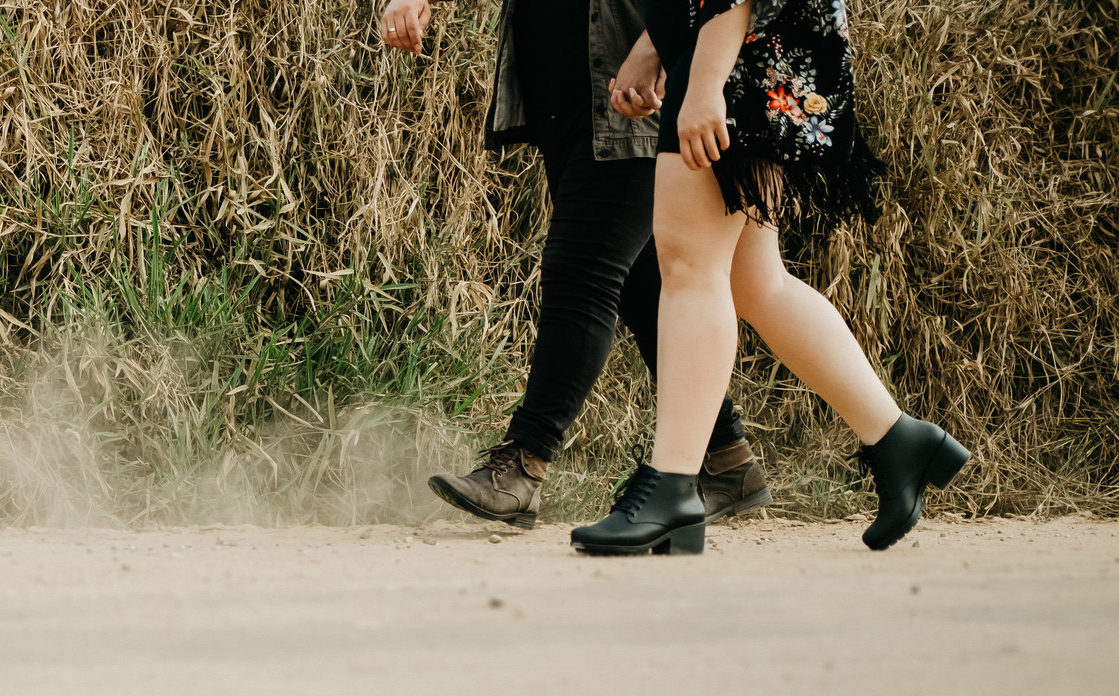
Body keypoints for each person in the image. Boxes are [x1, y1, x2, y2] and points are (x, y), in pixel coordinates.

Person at [571, 0, 971, 555]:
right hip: (738, 46)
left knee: (690, 265)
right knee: (753, 280)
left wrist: (707, 80)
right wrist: (655, 47)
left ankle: (672, 484)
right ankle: (899, 439)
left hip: (734, 50)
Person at [380, 0, 773, 529]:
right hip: (564, 83)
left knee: (581, 272)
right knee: (636, 284)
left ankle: (524, 464)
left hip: (631, 82)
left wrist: (655, 46)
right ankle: (725, 458)